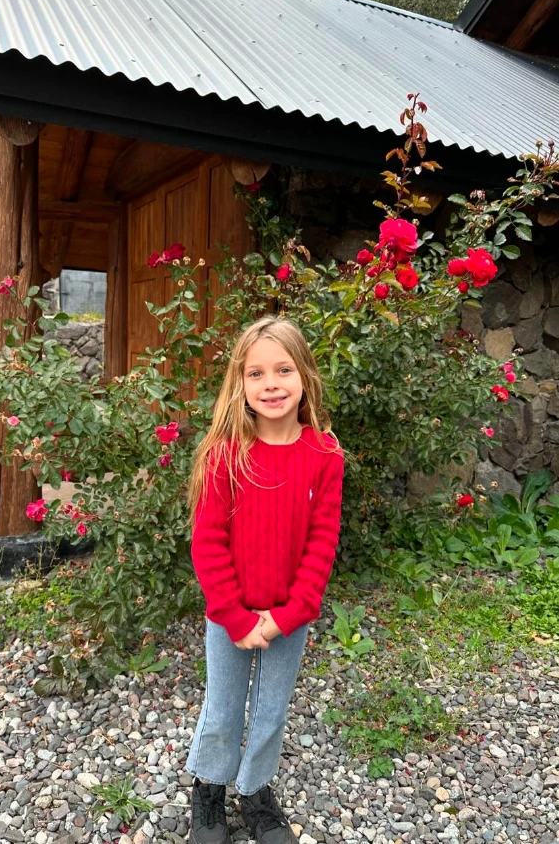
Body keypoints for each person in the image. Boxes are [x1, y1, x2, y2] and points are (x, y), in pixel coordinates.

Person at [185, 314, 345, 844]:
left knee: (271, 712)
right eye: (256, 374)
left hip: (289, 618)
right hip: (228, 615)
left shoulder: (324, 456)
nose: (271, 383)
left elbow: (322, 544)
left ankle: (255, 790)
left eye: (283, 369)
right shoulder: (225, 454)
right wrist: (233, 616)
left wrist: (287, 616)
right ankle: (209, 786)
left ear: (304, 377)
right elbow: (208, 543)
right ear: (241, 383)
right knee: (223, 708)